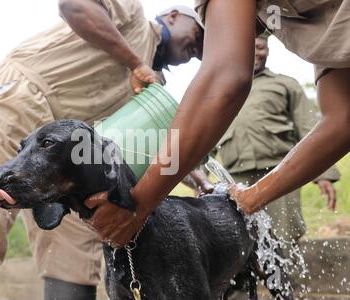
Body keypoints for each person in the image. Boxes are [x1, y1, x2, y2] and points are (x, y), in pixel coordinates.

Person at [0, 0, 204, 300]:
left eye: (202, 52)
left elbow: (148, 145)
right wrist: (134, 62)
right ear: (174, 16)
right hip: (14, 104)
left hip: (64, 159)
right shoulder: (133, 15)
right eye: (200, 35)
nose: (198, 51)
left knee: (75, 254)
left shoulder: (149, 88)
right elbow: (75, 6)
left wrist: (197, 178)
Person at [85, 0, 350, 249]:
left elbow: (223, 82)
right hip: (241, 167)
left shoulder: (283, 78)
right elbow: (342, 119)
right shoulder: (317, 28)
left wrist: (139, 204)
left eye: (207, 34)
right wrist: (252, 197)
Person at [213, 34, 340, 245]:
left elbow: (309, 127)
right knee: (238, 241)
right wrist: (196, 175)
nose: (255, 53)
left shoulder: (285, 85)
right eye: (248, 46)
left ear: (268, 50)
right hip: (234, 179)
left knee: (285, 236)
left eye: (260, 47)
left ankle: (288, 278)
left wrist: (324, 175)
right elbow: (208, 135)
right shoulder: (223, 91)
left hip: (280, 173)